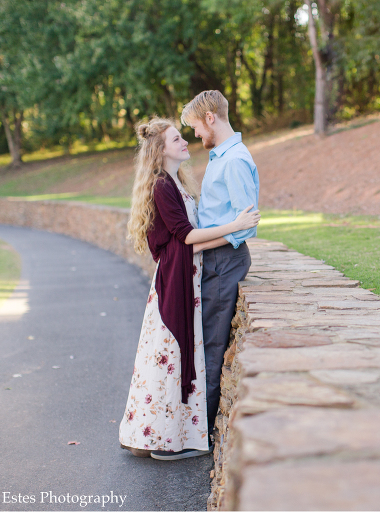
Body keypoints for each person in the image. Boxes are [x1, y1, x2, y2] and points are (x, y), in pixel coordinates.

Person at [119, 117, 260, 461]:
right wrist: (236, 226)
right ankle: (167, 444)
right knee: (173, 357)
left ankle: (163, 436)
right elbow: (185, 237)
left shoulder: (174, 181)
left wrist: (229, 235)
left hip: (184, 276)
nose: (185, 142)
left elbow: (185, 242)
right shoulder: (161, 186)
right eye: (177, 139)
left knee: (172, 358)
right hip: (176, 283)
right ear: (160, 149)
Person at [180, 91, 259, 439]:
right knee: (204, 343)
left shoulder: (234, 161)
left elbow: (247, 225)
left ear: (210, 118)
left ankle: (200, 437)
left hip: (224, 263)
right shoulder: (219, 157)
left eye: (196, 127)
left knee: (212, 346)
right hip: (212, 260)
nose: (195, 135)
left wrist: (196, 244)